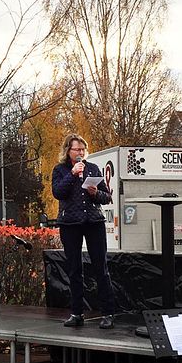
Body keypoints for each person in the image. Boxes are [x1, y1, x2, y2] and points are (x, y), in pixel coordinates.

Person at [51, 134, 116, 329]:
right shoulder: (60, 170)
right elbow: (57, 193)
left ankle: (108, 313)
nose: (80, 153)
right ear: (67, 151)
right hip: (70, 223)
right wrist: (72, 175)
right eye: (76, 149)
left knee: (100, 268)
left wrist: (96, 193)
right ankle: (76, 313)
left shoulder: (93, 169)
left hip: (93, 222)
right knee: (74, 269)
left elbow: (107, 198)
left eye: (82, 149)